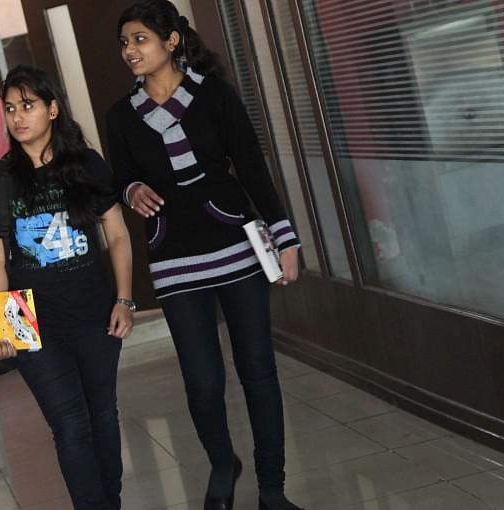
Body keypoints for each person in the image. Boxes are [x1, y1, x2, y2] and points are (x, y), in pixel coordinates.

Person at [106, 2, 304, 510]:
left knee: (258, 369)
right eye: (125, 42)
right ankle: (222, 463)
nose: (130, 50)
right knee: (202, 380)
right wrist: (131, 190)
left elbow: (253, 169)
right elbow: (120, 176)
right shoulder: (121, 116)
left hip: (236, 246)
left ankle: (272, 488)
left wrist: (286, 239)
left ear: (171, 41)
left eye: (140, 39)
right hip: (173, 256)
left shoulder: (216, 95)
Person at [0, 65, 134, 510]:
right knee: (68, 425)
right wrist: (0, 327)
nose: (18, 117)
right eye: (10, 108)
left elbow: (117, 234)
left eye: (28, 105)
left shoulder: (87, 165)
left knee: (102, 417)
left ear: (53, 109)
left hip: (94, 312)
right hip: (33, 323)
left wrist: (124, 299)